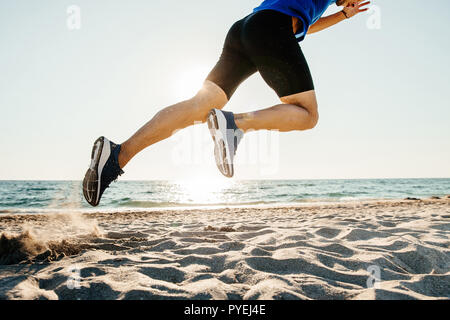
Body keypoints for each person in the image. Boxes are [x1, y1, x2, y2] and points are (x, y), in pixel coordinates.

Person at [83, 0, 370, 207]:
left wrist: (344, 15)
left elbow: (307, 26)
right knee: (307, 115)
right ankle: (234, 124)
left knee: (199, 106)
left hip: (245, 30)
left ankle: (117, 155)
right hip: (270, 29)